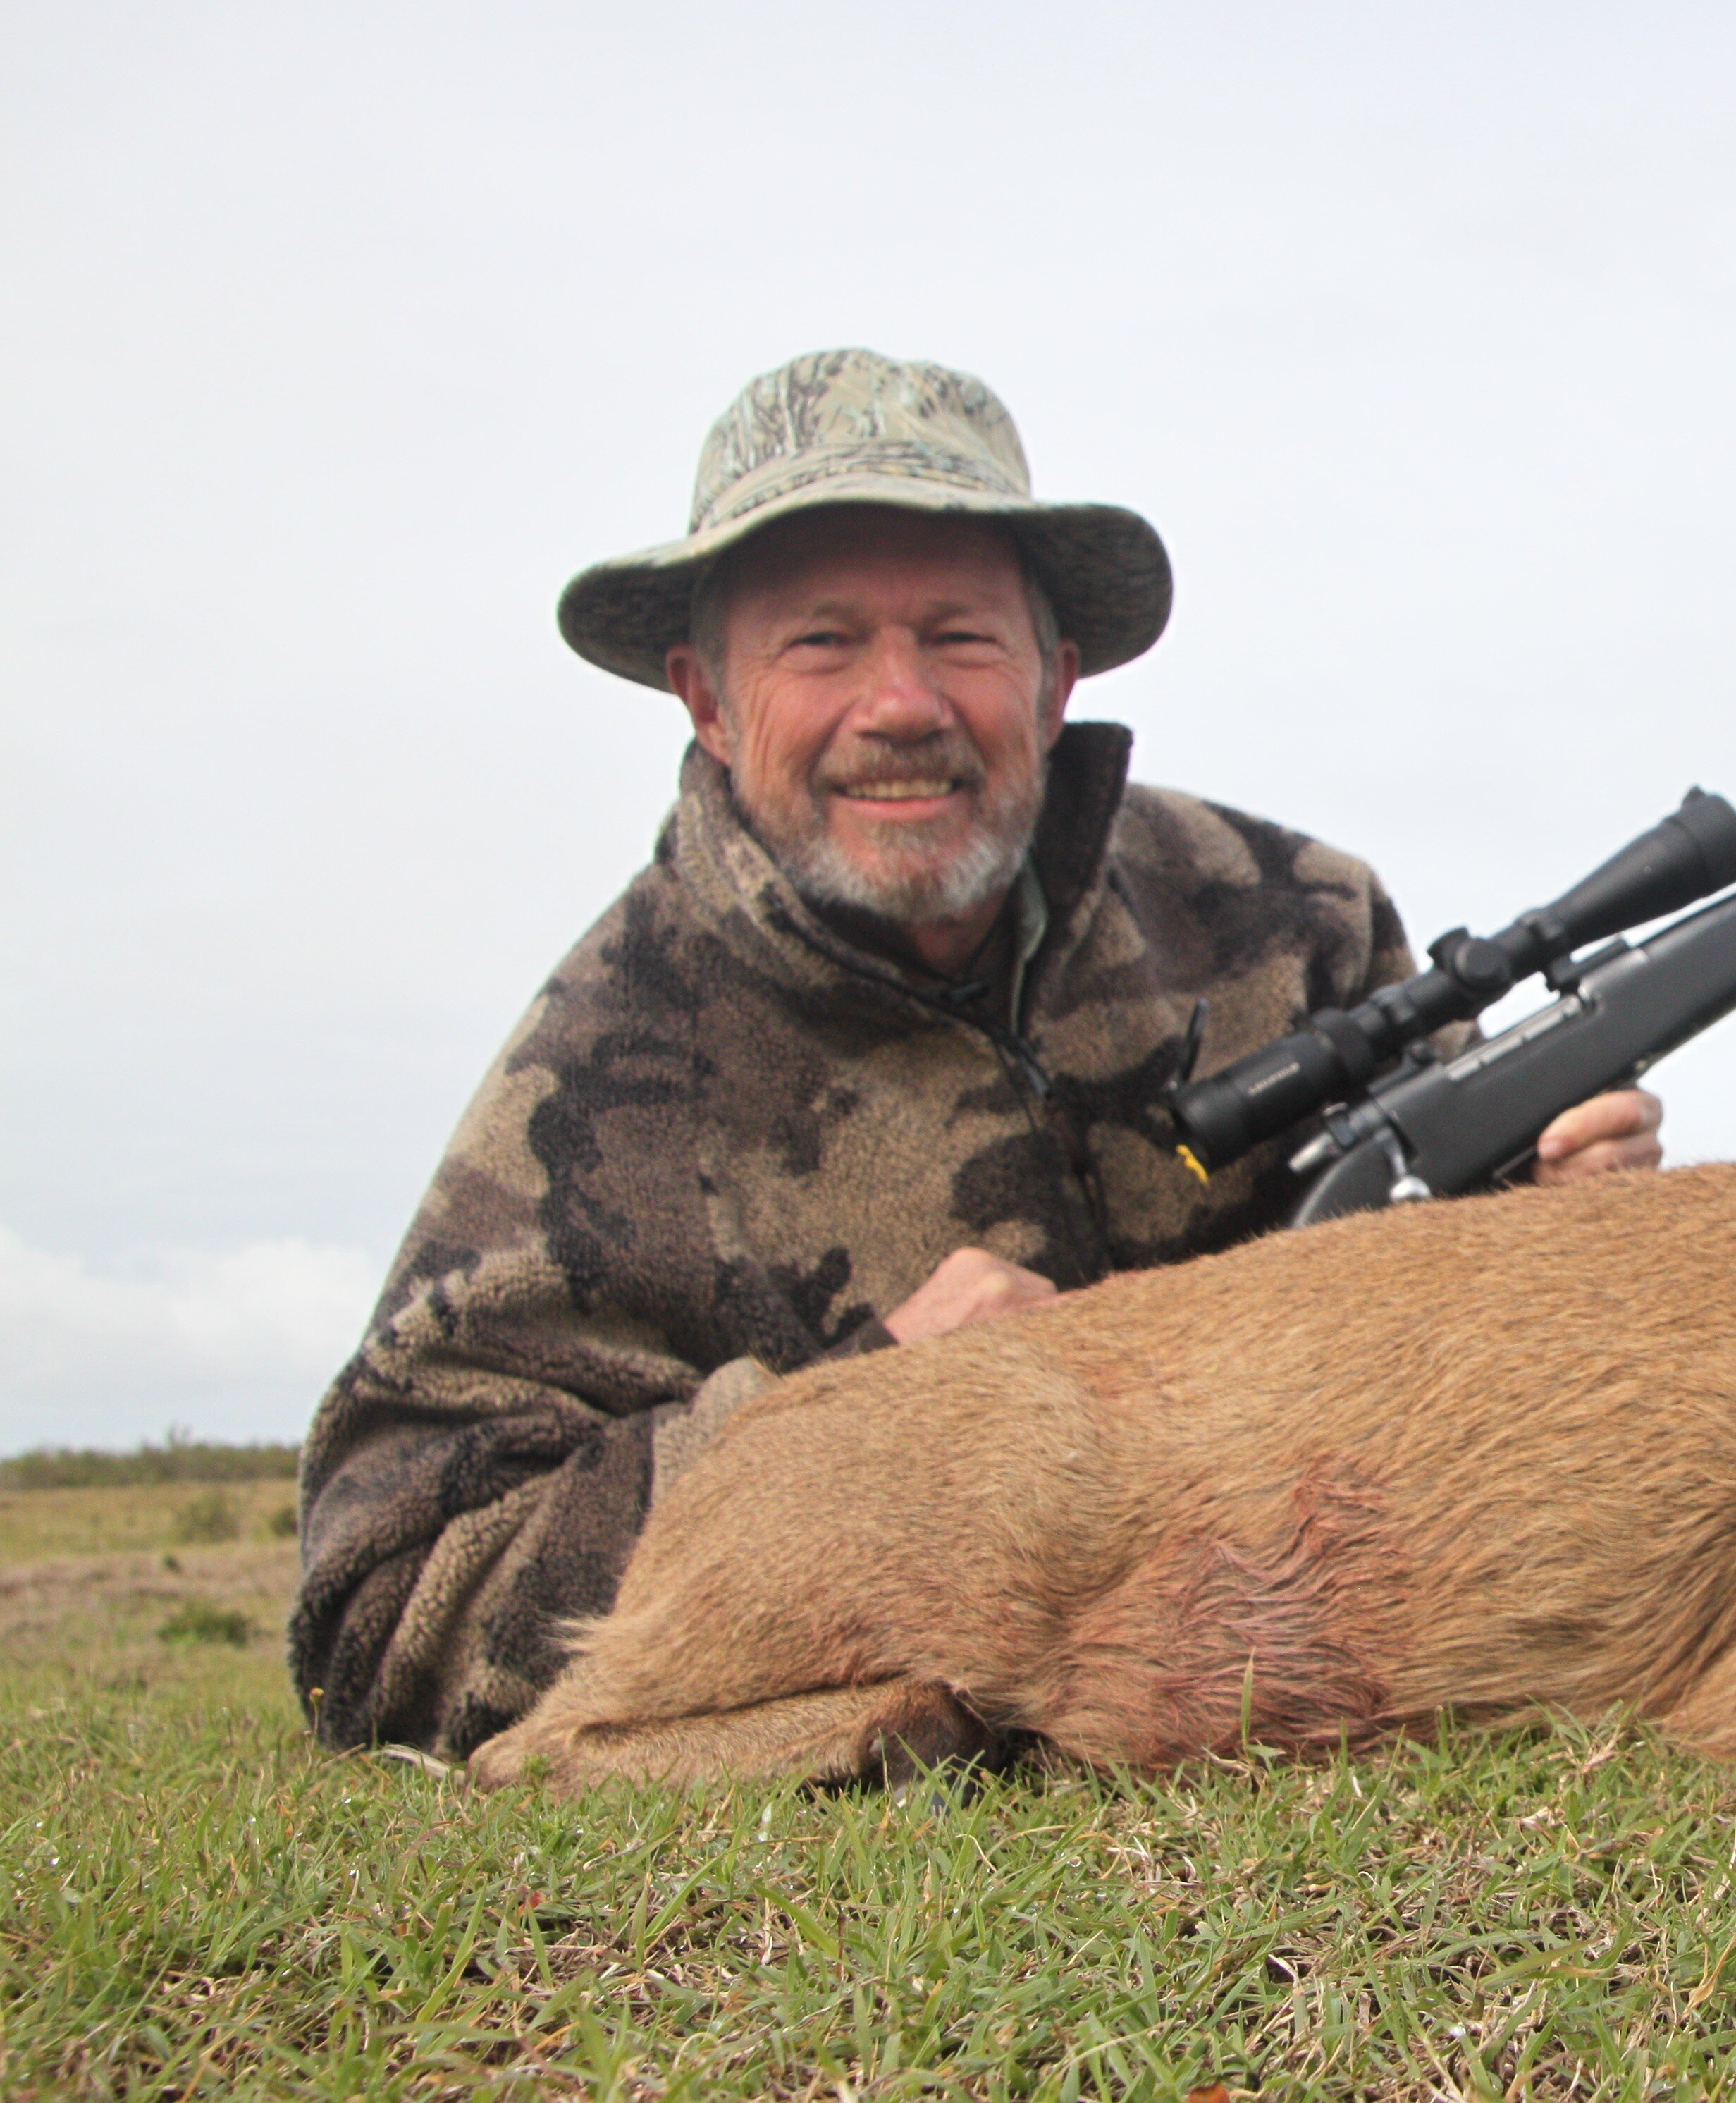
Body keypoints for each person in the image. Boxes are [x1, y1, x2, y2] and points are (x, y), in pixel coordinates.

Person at [288, 350, 1664, 1759]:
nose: (902, 706)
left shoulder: (1297, 916)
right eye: (821, 643)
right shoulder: (596, 1080)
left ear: (1055, 679)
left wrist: (1556, 1226)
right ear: (706, 700)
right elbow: (373, 1618)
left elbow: (1464, 1309)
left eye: (960, 639)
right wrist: (866, 1413)